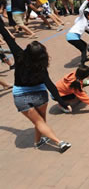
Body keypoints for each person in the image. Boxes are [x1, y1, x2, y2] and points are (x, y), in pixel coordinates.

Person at [0, 19, 72, 152]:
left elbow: (5, 34)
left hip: (20, 97)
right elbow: (50, 86)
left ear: (27, 51)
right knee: (40, 121)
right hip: (39, 96)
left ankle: (46, 142)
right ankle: (52, 142)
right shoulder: (42, 68)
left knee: (38, 122)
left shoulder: (19, 55)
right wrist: (62, 102)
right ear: (43, 54)